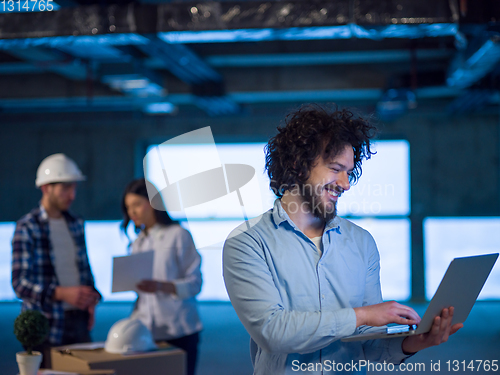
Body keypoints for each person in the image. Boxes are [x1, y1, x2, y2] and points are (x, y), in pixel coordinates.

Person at [223, 104, 463, 375]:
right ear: (297, 165)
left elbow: (369, 346)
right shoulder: (247, 243)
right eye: (336, 168)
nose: (346, 183)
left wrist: (413, 343)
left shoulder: (362, 243)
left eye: (348, 171)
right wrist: (362, 315)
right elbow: (272, 332)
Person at [11, 153, 101, 368]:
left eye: (74, 188)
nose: (72, 195)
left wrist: (92, 297)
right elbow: (19, 284)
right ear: (46, 188)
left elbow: (84, 270)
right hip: (45, 324)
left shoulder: (76, 223)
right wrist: (61, 293)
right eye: (65, 189)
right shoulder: (28, 227)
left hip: (78, 322)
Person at [121, 178, 203, 375]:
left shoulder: (179, 235)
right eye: (128, 207)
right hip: (145, 331)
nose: (132, 212)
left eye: (137, 205)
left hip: (179, 328)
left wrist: (161, 286)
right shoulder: (137, 243)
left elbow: (195, 284)